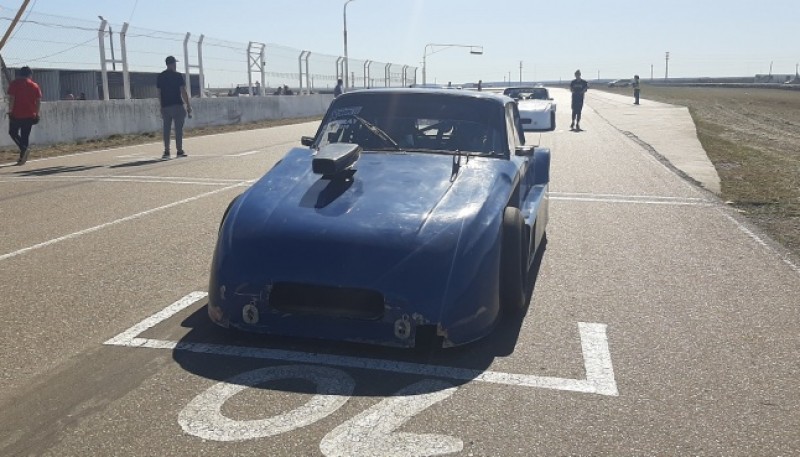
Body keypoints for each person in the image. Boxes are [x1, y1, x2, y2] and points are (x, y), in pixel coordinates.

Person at [156, 55, 192, 159]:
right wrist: (188, 105)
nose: (175, 65)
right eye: (174, 63)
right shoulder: (178, 76)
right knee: (178, 130)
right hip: (177, 105)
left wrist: (161, 105)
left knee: (166, 129)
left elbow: (159, 93)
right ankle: (179, 151)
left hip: (166, 106)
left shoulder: (160, 76)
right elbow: (183, 91)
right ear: (172, 64)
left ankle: (166, 151)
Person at [7, 66, 42, 165]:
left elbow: (12, 99)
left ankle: (23, 150)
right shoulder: (34, 85)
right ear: (29, 74)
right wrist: (37, 113)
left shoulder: (14, 84)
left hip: (16, 113)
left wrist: (10, 111)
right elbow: (38, 101)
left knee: (12, 132)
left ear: (20, 74)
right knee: (25, 136)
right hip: (30, 114)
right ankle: (23, 157)